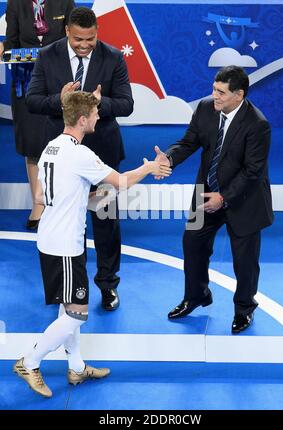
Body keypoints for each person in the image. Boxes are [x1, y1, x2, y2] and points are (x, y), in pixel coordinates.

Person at [13, 90, 171, 398]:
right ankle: (29, 361)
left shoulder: (51, 149)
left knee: (66, 306)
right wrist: (150, 168)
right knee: (77, 313)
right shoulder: (81, 154)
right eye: (96, 113)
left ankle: (75, 366)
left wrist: (93, 198)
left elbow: (45, 197)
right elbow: (123, 181)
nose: (100, 117)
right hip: (65, 246)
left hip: (50, 237)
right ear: (83, 119)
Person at [26, 6, 134, 312]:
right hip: (64, 159)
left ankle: (108, 285)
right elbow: (33, 101)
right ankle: (71, 286)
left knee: (105, 224)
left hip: (102, 154)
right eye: (78, 40)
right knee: (66, 223)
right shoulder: (48, 56)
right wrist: (58, 101)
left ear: (97, 32)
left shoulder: (113, 57)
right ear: (67, 32)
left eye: (90, 39)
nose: (85, 45)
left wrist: (103, 103)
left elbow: (127, 104)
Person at [154, 65, 273, 334]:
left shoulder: (258, 125)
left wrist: (224, 197)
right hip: (206, 192)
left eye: (220, 92)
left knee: (245, 260)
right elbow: (188, 142)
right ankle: (196, 296)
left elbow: (253, 172)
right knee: (192, 244)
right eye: (213, 89)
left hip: (243, 199)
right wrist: (169, 158)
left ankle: (244, 308)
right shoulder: (206, 109)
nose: (213, 95)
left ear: (239, 94)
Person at [0, 0, 75, 230]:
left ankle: (61, 203)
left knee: (62, 142)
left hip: (61, 80)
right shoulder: (16, 3)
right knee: (32, 144)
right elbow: (11, 44)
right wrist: (4, 49)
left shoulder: (64, 2)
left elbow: (74, 41)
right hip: (26, 81)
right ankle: (38, 203)